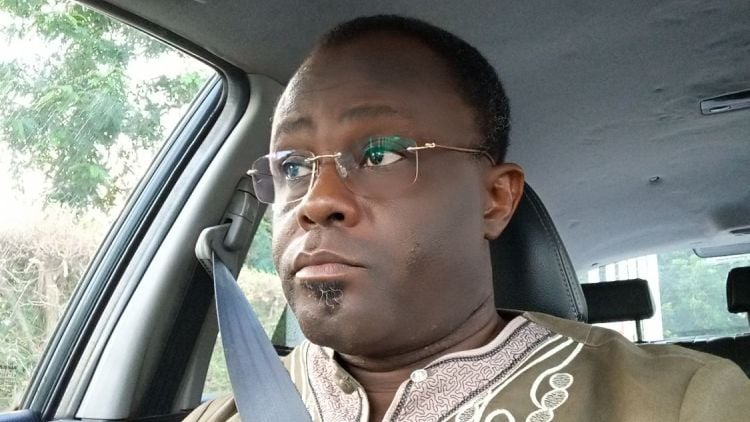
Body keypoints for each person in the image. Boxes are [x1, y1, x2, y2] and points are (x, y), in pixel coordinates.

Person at [186, 15, 750, 422]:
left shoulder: (684, 401)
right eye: (292, 165)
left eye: (381, 155)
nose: (316, 200)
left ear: (495, 200)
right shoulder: (224, 414)